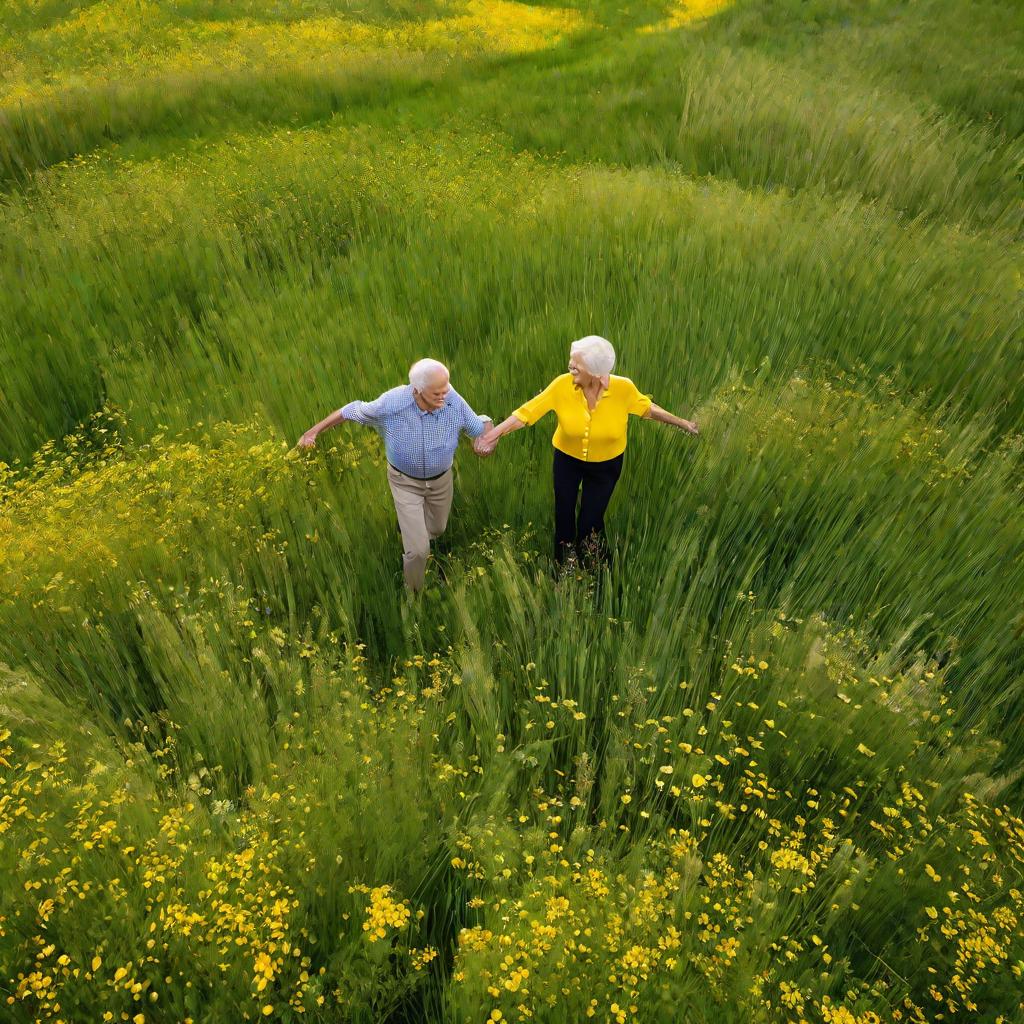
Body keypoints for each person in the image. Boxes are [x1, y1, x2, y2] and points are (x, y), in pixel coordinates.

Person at [475, 335, 697, 566]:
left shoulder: (623, 389)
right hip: (567, 461)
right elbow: (527, 412)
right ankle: (563, 565)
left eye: (575, 365)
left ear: (596, 371)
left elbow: (648, 408)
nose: (569, 367)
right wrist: (492, 436)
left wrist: (683, 423)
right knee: (564, 514)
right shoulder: (562, 385)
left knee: (591, 522)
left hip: (606, 465)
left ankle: (598, 568)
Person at [299, 359, 491, 590]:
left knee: (437, 529)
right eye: (437, 393)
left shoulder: (452, 400)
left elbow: (480, 425)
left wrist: (487, 439)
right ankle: (414, 596)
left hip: (441, 481)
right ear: (417, 390)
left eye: (446, 389)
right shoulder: (392, 403)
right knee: (419, 551)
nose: (444, 396)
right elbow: (350, 410)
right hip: (405, 482)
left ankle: (408, 530)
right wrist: (312, 433)